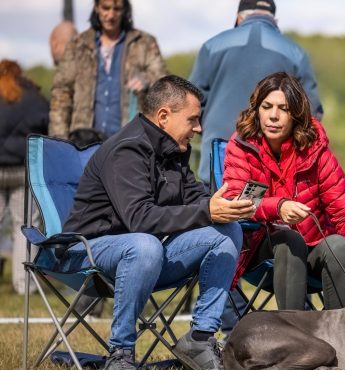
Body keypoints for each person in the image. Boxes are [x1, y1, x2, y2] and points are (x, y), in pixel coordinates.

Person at [57, 75, 255, 370]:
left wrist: (223, 206)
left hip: (143, 257)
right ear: (163, 116)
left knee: (227, 231)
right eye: (193, 119)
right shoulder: (127, 150)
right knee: (144, 244)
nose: (199, 128)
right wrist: (205, 210)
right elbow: (140, 218)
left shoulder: (172, 150)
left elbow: (196, 198)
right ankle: (120, 353)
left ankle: (200, 339)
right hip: (86, 252)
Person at [223, 72, 345, 313]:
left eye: (283, 108)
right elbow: (234, 202)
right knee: (289, 239)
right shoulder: (241, 145)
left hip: (312, 250)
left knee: (338, 244)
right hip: (259, 253)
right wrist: (279, 206)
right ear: (256, 110)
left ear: (296, 115)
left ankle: (339, 338)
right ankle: (294, 338)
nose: (273, 115)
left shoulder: (318, 153)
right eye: (266, 106)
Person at [189, 0, 323, 185]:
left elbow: (191, 102)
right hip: (272, 159)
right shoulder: (296, 53)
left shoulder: (212, 46)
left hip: (218, 153)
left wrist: (206, 130)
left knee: (217, 209)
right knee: (269, 210)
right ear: (275, 20)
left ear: (238, 18)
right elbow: (312, 112)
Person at [49, 0, 167, 140]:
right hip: (83, 142)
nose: (111, 15)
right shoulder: (78, 45)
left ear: (125, 10)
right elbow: (61, 94)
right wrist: (59, 140)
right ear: (97, 7)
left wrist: (146, 80)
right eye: (106, 8)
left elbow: (165, 84)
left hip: (128, 143)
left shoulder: (144, 43)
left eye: (117, 9)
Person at [0, 60, 48, 294]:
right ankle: (25, 285)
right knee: (25, 227)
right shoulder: (34, 98)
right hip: (23, 170)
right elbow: (47, 128)